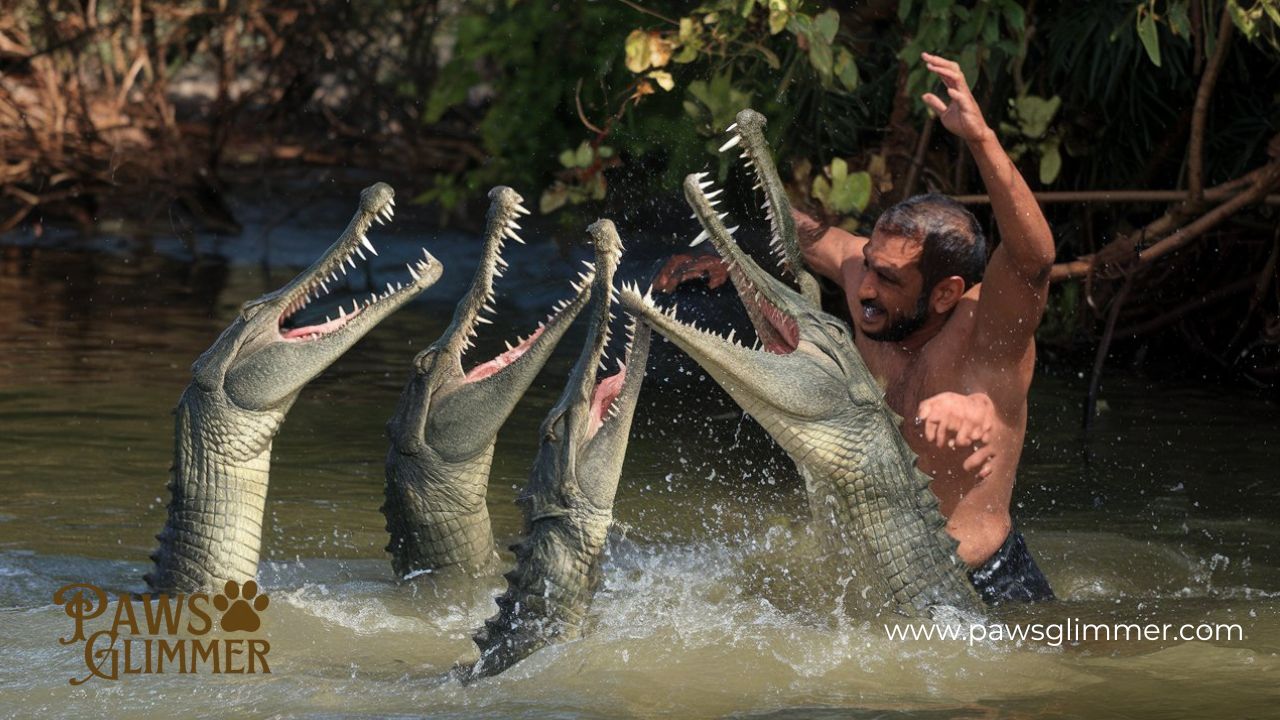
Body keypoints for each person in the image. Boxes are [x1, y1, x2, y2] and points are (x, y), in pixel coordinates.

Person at [656, 53, 1056, 604]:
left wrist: (982, 139)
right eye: (867, 262)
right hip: (879, 581)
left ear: (944, 292)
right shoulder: (868, 287)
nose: (864, 289)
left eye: (888, 278)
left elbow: (1033, 258)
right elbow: (812, 235)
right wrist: (737, 250)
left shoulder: (987, 330)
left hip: (982, 588)